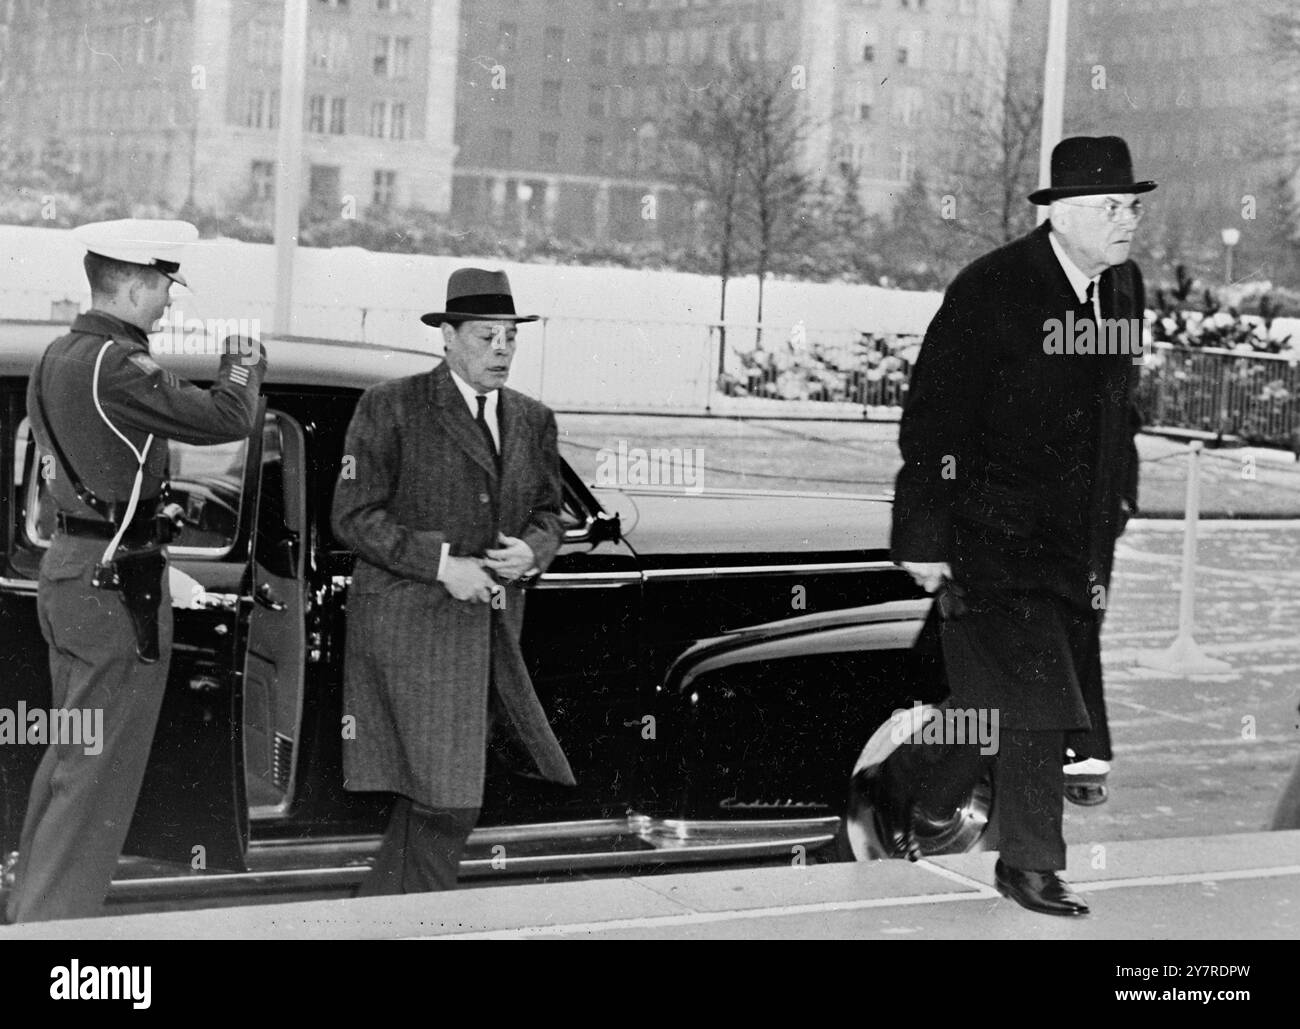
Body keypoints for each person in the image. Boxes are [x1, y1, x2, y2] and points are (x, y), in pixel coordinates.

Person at [877, 136, 1151, 916]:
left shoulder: (1124, 288)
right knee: (1035, 696)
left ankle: (910, 789)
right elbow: (934, 418)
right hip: (990, 532)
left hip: (1076, 544)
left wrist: (1119, 502)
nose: (1127, 220)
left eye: (1132, 206)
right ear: (1060, 214)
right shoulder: (992, 289)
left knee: (990, 703)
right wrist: (926, 539)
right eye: (1111, 206)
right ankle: (1030, 863)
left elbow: (1117, 408)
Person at [5, 219, 267, 923]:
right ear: (133, 282)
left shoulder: (57, 356)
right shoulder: (117, 366)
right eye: (163, 289)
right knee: (98, 778)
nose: (169, 306)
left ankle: (34, 913)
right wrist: (243, 361)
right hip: (116, 588)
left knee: (69, 764)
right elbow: (226, 418)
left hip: (70, 572)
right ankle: (56, 932)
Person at [332, 267, 574, 895]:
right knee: (449, 800)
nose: (501, 350)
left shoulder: (532, 419)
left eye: (509, 338)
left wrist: (533, 549)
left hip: (491, 638)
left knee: (438, 799)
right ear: (447, 337)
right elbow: (352, 516)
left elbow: (549, 511)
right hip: (411, 634)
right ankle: (423, 923)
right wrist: (444, 566)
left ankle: (379, 921)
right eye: (485, 336)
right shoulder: (391, 407)